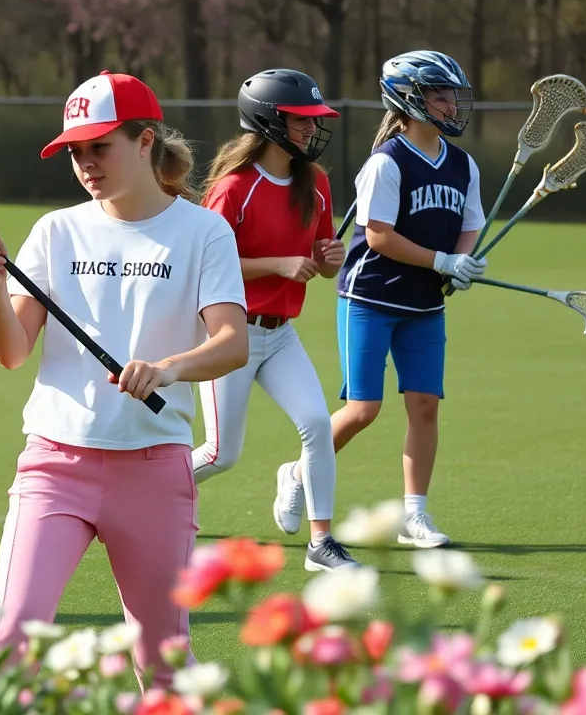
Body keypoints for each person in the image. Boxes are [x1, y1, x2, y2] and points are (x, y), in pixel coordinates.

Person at [0, 71, 248, 689]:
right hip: (53, 468)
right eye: (75, 151)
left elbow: (232, 343)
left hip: (152, 471)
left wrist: (167, 368)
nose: (86, 163)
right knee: (8, 644)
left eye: (101, 146)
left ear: (145, 141)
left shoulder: (204, 232)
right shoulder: (55, 231)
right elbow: (13, 352)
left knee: (163, 662)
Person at [193, 68, 356, 572]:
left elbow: (322, 263)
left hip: (280, 334)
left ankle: (321, 542)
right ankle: (138, 489)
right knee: (221, 454)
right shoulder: (232, 187)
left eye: (313, 120)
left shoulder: (318, 183)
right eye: (301, 120)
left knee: (315, 423)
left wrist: (330, 259)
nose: (311, 129)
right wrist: (277, 265)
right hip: (228, 334)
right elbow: (206, 265)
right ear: (267, 122)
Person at [334, 50, 487, 548]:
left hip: (424, 305)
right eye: (439, 94)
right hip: (371, 297)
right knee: (362, 410)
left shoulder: (463, 164)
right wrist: (442, 261)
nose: (450, 104)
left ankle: (415, 516)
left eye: (451, 94)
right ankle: (297, 475)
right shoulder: (386, 163)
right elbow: (377, 236)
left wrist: (462, 262)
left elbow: (471, 225)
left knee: (424, 407)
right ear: (410, 99)